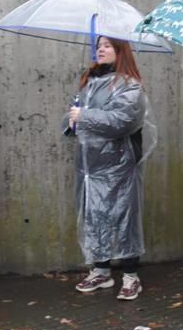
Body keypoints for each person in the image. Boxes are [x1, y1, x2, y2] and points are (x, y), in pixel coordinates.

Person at [66, 36, 156, 301]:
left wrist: (84, 117)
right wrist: (71, 122)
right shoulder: (89, 82)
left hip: (119, 164)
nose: (100, 49)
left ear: (121, 51)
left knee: (124, 218)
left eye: (107, 45)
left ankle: (131, 276)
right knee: (95, 217)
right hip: (90, 166)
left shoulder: (130, 85)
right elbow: (73, 113)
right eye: (98, 46)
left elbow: (123, 120)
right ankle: (101, 271)